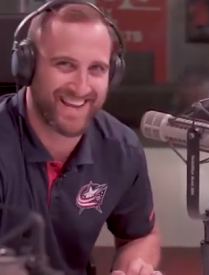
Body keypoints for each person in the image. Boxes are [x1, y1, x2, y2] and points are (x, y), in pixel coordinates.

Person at [0, 2, 161, 275]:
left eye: (96, 68)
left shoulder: (121, 148)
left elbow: (140, 236)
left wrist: (132, 267)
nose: (82, 86)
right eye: (65, 64)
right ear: (27, 65)